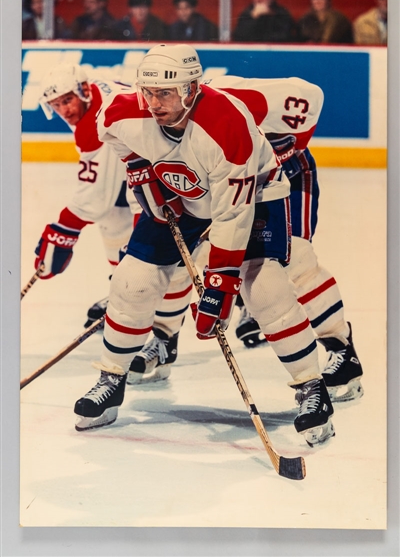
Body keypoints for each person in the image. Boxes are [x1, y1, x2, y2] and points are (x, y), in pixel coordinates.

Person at [74, 44, 335, 449]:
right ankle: (111, 379)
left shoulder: (226, 125)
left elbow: (232, 217)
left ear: (192, 89)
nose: (154, 103)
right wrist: (139, 165)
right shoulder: (125, 110)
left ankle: (311, 387)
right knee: (132, 281)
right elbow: (108, 129)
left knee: (265, 289)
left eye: (166, 93)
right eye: (148, 92)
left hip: (255, 199)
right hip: (185, 194)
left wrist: (220, 285)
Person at [130, 74, 364, 405]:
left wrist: (291, 145)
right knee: (182, 259)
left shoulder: (240, 102)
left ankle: (342, 350)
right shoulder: (157, 125)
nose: (156, 105)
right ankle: (163, 339)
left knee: (295, 260)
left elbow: (310, 95)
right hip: (224, 185)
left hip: (283, 181)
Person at [35, 63, 139, 325]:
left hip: (163, 159)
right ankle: (123, 295)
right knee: (114, 221)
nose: (64, 110)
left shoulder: (94, 124)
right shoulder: (94, 90)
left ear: (81, 91)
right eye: (56, 105)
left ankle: (242, 301)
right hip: (138, 153)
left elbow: (93, 199)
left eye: (67, 100)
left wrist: (61, 232)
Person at [232, 0, 298, 43]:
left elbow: (285, 36)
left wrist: (270, 15)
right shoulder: (247, 13)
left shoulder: (281, 13)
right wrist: (253, 18)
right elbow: (238, 36)